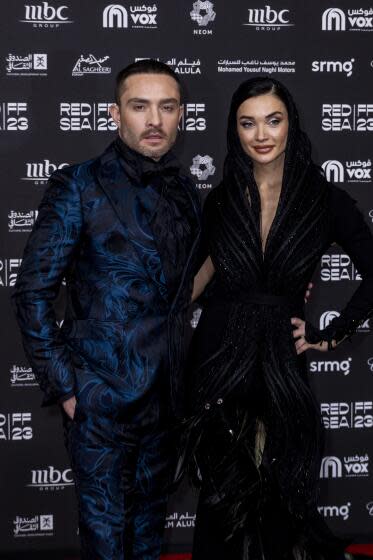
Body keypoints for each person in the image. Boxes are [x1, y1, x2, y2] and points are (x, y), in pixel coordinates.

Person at [12, 59, 201, 560]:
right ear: (116, 114)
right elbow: (31, 291)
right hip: (100, 402)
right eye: (140, 107)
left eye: (167, 107)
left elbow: (188, 286)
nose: (154, 120)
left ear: (181, 115)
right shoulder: (77, 185)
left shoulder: (186, 192)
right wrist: (67, 388)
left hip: (167, 401)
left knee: (148, 540)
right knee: (105, 544)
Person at [184, 77, 373, 559]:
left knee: (283, 490)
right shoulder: (222, 197)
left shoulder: (322, 197)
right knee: (222, 494)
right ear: (235, 131)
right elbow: (198, 278)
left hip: (281, 364)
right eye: (248, 123)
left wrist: (330, 336)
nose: (261, 134)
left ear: (291, 124)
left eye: (273, 120)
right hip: (220, 355)